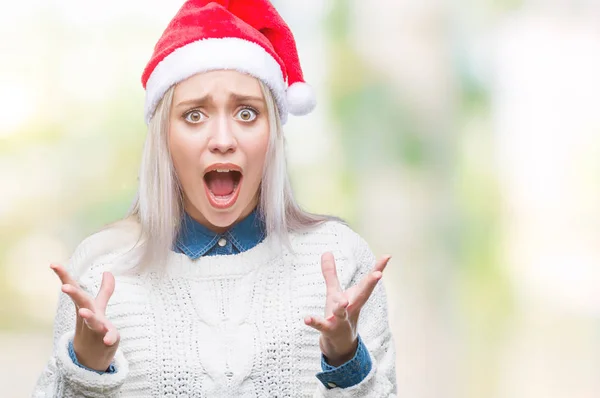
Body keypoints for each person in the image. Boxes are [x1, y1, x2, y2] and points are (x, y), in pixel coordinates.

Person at [32, 0, 397, 396]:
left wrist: (345, 360)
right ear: (164, 139)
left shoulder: (339, 260)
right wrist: (87, 369)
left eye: (246, 113)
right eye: (194, 115)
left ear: (273, 134)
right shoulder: (101, 272)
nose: (223, 141)